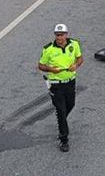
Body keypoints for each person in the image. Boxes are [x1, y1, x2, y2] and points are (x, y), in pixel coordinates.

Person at [38, 23, 83, 152]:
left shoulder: (74, 44)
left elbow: (80, 58)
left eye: (61, 35)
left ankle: (61, 121)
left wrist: (76, 65)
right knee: (61, 110)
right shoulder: (48, 49)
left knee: (71, 105)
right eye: (57, 35)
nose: (59, 38)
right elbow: (41, 65)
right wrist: (51, 69)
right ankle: (64, 139)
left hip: (70, 81)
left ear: (66, 34)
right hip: (55, 84)